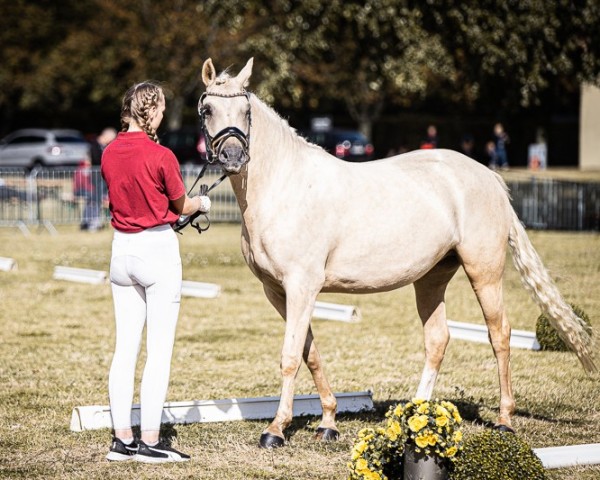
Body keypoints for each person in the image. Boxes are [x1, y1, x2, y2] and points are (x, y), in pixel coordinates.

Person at [101, 81, 211, 463]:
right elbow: (181, 206)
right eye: (161, 108)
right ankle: (149, 441)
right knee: (159, 350)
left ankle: (122, 440)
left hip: (121, 252)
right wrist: (204, 202)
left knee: (125, 349)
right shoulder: (161, 155)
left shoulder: (109, 152)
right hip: (157, 251)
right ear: (149, 112)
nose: (163, 114)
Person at [73, 157, 101, 231]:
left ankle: (92, 222)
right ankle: (91, 223)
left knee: (93, 203)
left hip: (89, 193)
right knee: (93, 202)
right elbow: (83, 185)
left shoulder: (86, 171)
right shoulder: (82, 171)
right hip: (81, 191)